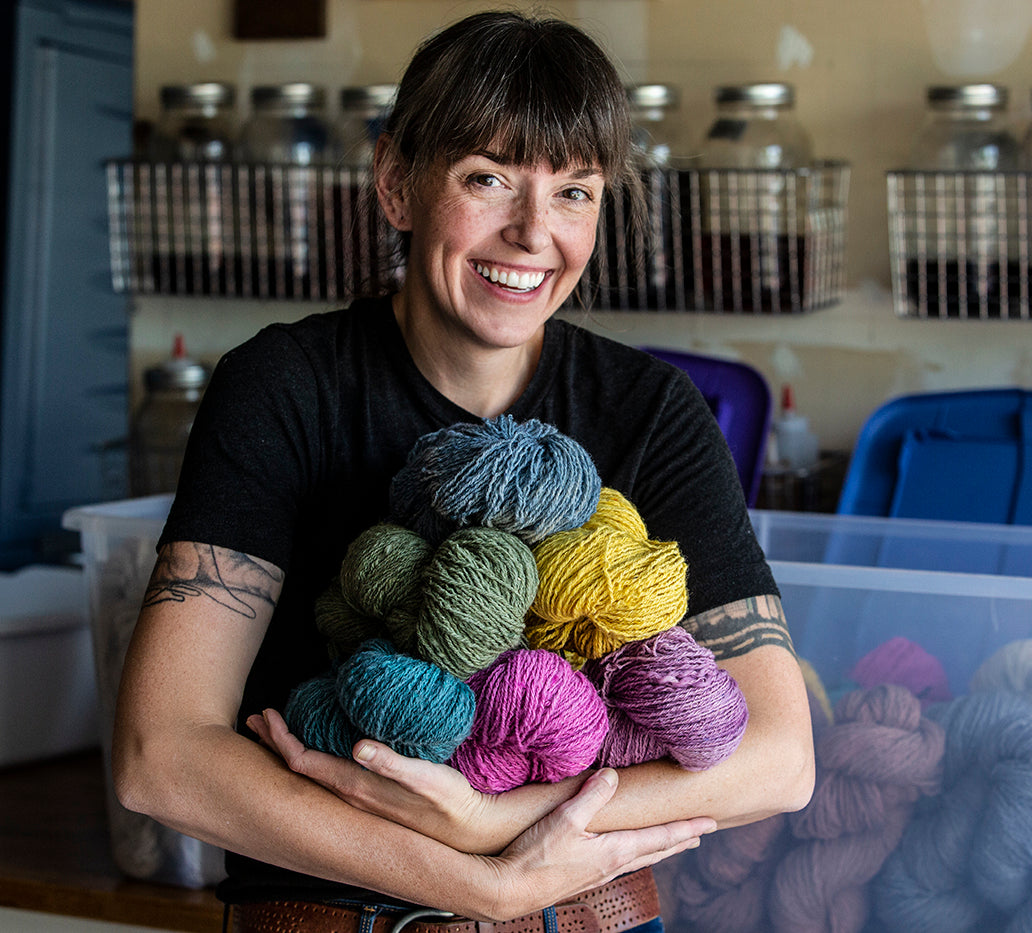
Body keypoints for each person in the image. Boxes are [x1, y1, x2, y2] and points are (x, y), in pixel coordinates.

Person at [112, 10, 815, 933]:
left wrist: (493, 825)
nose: (533, 233)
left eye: (575, 192)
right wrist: (478, 885)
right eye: (488, 178)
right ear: (396, 183)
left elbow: (780, 761)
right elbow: (158, 755)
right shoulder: (284, 389)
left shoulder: (651, 411)